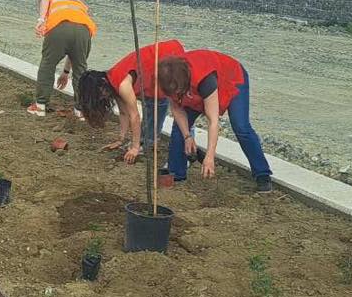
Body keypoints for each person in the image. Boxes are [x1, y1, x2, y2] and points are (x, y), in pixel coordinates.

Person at [157, 50, 273, 193]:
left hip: (232, 78)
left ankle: (262, 174)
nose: (174, 95)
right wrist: (188, 136)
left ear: (183, 83)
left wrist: (209, 156)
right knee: (179, 128)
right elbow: (176, 109)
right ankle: (177, 173)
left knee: (241, 126)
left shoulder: (205, 80)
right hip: (192, 88)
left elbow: (213, 121)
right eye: (171, 92)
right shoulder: (168, 80)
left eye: (177, 91)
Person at [74, 39, 186, 167]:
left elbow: (134, 116)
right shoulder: (111, 83)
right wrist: (120, 139)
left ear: (101, 88)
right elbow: (123, 113)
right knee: (152, 100)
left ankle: (152, 143)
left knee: (162, 101)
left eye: (98, 96)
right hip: (151, 71)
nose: (100, 99)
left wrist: (135, 147)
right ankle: (148, 141)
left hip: (167, 58)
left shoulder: (122, 85)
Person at [28, 0, 96, 118]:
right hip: (84, 30)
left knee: (47, 65)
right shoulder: (77, 2)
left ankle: (40, 106)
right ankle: (81, 110)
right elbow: (73, 54)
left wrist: (41, 20)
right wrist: (65, 73)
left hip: (60, 26)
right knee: (80, 70)